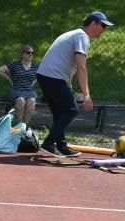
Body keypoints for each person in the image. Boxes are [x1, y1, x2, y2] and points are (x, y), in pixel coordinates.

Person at [36, 11, 114, 158]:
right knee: (72, 110)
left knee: (60, 113)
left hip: (46, 75)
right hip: (53, 77)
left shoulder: (76, 34)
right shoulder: (82, 36)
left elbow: (66, 62)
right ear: (93, 24)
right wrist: (87, 95)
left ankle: (62, 146)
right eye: (103, 25)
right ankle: (48, 143)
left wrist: (68, 84)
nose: (104, 29)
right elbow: (81, 67)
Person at [0, 44, 39, 124]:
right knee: (21, 100)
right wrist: (9, 79)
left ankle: (25, 124)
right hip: (16, 90)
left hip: (29, 91)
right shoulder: (15, 65)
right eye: (28, 52)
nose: (30, 54)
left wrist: (34, 81)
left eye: (32, 53)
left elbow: (43, 75)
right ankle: (19, 124)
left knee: (32, 101)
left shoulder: (35, 66)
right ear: (22, 54)